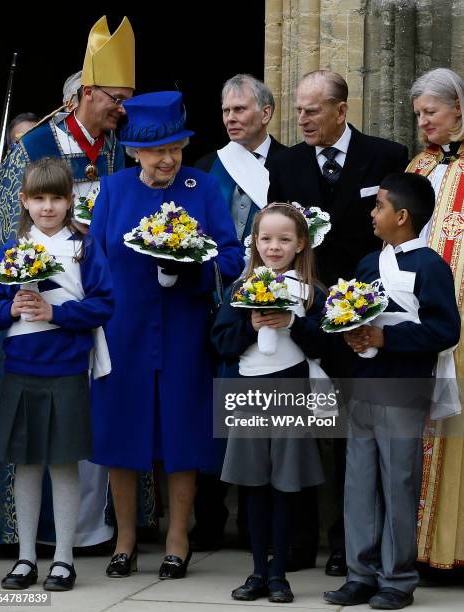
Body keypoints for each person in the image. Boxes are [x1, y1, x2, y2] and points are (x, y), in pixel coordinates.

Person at [0, 15, 134, 550]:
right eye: (115, 98)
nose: (123, 108)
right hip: (36, 326)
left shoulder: (120, 144)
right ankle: (29, 542)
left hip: (98, 305)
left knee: (84, 434)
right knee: (34, 446)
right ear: (85, 94)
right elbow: (3, 224)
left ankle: (93, 533)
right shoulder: (38, 146)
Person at [90, 90, 244, 579]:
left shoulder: (201, 186)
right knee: (122, 432)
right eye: (158, 151)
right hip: (123, 331)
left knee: (181, 430)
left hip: (182, 329)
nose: (170, 159)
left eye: (176, 148)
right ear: (135, 150)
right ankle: (127, 538)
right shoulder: (114, 189)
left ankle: (179, 536)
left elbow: (233, 256)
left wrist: (188, 267)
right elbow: (94, 259)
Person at [267, 69, 409, 575]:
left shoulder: (387, 155)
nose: (301, 119)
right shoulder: (285, 163)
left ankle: (351, 545)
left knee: (357, 430)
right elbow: (277, 232)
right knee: (301, 427)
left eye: (312, 110)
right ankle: (301, 543)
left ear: (341, 110)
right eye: (298, 110)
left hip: (364, 311)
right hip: (305, 309)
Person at [323, 172, 461, 609]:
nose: (372, 213)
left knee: (399, 481)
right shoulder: (368, 264)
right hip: (363, 386)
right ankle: (360, 574)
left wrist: (388, 339)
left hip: (403, 389)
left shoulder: (431, 267)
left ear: (401, 216)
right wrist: (353, 335)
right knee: (359, 482)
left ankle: (398, 579)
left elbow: (445, 330)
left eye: (378, 206)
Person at [0, 157, 114, 591]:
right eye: (38, 198)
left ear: (70, 200)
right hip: (21, 366)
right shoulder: (12, 248)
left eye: (56, 198)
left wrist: (56, 312)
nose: (47, 207)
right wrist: (10, 308)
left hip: (68, 365)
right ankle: (25, 557)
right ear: (23, 200)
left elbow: (103, 303)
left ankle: (63, 558)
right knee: (26, 461)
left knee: (62, 459)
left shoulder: (85, 247)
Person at [211, 202, 326, 603]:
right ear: (254, 242)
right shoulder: (240, 290)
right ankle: (258, 570)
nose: (274, 247)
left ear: (300, 243)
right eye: (266, 239)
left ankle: (280, 574)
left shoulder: (310, 292)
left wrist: (293, 322)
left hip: (291, 390)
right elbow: (221, 343)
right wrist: (250, 325)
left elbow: (326, 344)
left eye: (284, 239)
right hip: (249, 393)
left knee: (285, 485)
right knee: (254, 486)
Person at [193, 73, 286, 552]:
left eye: (240, 110)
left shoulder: (291, 164)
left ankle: (261, 530)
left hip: (276, 308)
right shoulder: (208, 166)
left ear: (265, 113)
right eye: (226, 111)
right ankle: (208, 521)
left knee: (265, 418)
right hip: (217, 303)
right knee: (214, 412)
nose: (230, 118)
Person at [407, 67, 464, 572]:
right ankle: (424, 547)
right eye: (419, 114)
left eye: (431, 112)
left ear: (459, 111)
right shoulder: (418, 167)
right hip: (419, 317)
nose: (423, 122)